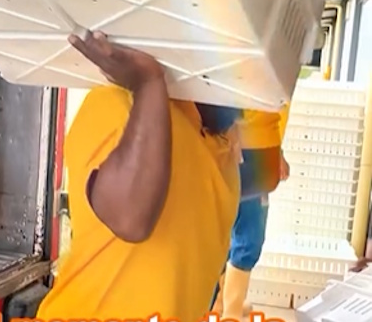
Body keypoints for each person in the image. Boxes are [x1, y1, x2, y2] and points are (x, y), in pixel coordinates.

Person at [36, 31, 278, 321]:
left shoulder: (221, 150)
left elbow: (269, 173)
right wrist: (148, 83)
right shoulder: (116, 105)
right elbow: (130, 218)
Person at [212, 107, 290, 320]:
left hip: (252, 146)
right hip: (246, 147)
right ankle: (229, 311)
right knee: (248, 238)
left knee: (230, 235)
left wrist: (276, 151)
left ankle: (222, 305)